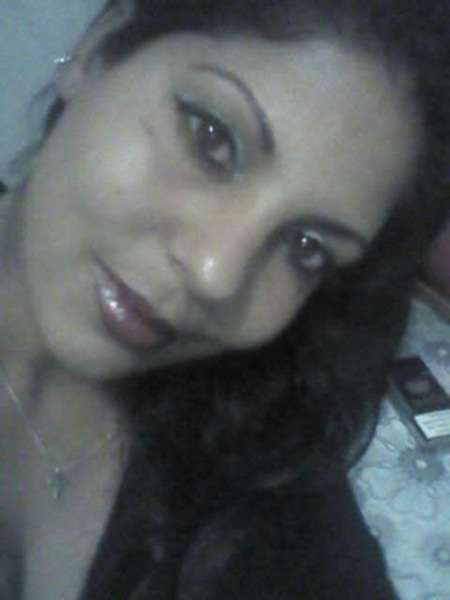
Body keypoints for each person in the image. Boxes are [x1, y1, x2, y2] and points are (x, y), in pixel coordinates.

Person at [0, 0, 448, 598]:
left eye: (305, 246)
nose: (217, 274)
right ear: (99, 51)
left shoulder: (253, 443)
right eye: (211, 138)